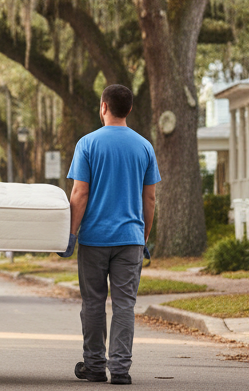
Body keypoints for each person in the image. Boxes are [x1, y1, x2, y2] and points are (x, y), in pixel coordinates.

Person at [58, 84, 160, 385]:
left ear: (104, 107)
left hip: (94, 239)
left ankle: (93, 366)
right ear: (128, 109)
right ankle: (120, 369)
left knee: (93, 303)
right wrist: (143, 237)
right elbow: (150, 199)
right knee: (125, 304)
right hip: (130, 239)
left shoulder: (88, 144)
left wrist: (71, 235)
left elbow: (79, 192)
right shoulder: (144, 147)